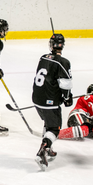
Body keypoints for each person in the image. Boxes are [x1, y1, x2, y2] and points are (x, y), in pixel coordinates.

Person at [32, 33, 73, 171]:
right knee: (54, 128)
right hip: (49, 101)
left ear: (51, 44)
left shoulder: (43, 57)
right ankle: (43, 149)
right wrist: (67, 97)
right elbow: (65, 84)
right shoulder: (63, 62)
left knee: (48, 123)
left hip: (36, 99)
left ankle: (49, 148)